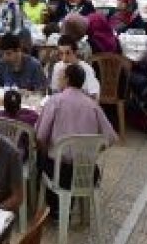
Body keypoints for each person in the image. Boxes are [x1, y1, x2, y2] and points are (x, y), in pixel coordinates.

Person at [36, 63, 118, 214]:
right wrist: (92, 151)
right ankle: (66, 208)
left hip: (60, 174)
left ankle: (52, 210)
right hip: (87, 174)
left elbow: (40, 137)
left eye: (60, 77)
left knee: (39, 159)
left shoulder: (55, 101)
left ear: (67, 80)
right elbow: (111, 138)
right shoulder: (92, 105)